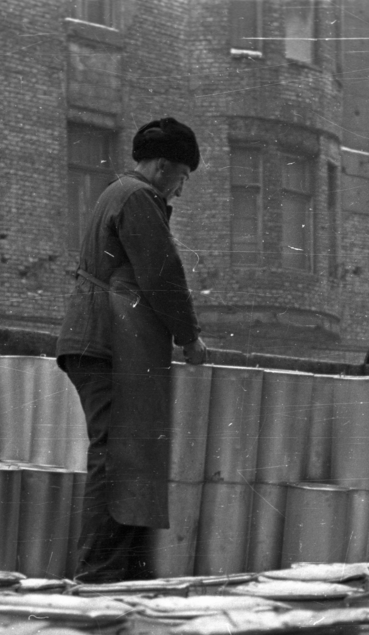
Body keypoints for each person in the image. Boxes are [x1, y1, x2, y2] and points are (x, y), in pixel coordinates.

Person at [56, 117, 209, 583]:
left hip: (96, 339)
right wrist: (189, 336)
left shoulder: (117, 192)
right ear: (163, 167)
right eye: (182, 177)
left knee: (118, 453)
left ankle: (111, 570)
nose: (180, 191)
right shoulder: (140, 197)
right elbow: (161, 277)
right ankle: (98, 575)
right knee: (117, 455)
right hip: (106, 343)